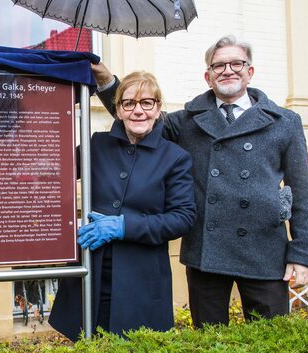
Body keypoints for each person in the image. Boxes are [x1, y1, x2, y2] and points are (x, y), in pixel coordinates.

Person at [93, 35, 308, 327]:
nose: (227, 70)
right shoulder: (188, 119)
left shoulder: (284, 121)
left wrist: (302, 254)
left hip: (265, 254)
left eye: (236, 63)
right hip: (206, 253)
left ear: (250, 72)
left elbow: (302, 192)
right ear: (208, 76)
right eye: (218, 65)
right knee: (210, 340)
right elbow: (138, 114)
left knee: (271, 338)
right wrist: (106, 79)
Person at [49, 71, 196, 340]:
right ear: (118, 110)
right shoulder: (97, 144)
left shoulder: (175, 158)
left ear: (158, 108)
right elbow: (55, 172)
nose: (137, 111)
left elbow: (182, 217)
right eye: (129, 103)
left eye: (146, 103)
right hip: (92, 270)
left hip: (141, 278)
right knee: (88, 340)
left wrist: (124, 226)